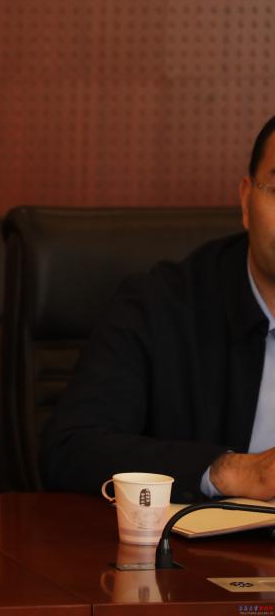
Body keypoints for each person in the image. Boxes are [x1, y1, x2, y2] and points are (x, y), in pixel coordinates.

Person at [41, 116, 275, 503]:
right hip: (206, 542)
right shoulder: (158, 306)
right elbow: (70, 450)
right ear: (246, 200)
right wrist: (232, 472)